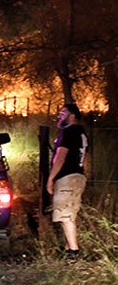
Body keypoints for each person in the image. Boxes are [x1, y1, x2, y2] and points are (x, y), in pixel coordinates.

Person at [46, 104, 88, 259]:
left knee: (65, 216)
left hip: (66, 178)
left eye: (63, 113)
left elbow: (61, 156)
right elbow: (85, 158)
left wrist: (50, 179)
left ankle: (74, 253)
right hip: (78, 176)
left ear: (72, 115)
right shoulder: (82, 133)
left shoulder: (69, 132)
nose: (59, 116)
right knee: (70, 214)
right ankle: (68, 248)